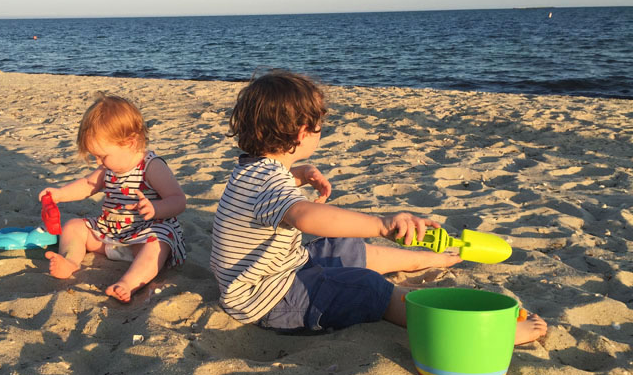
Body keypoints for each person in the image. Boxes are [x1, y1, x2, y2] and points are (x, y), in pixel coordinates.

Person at [210, 70, 546, 344]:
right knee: (370, 289)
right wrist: (383, 225)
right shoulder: (270, 182)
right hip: (271, 300)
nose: (320, 133)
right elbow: (306, 217)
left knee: (342, 248)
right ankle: (488, 334)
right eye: (319, 128)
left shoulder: (255, 170)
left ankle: (426, 259)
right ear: (301, 133)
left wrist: (296, 175)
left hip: (276, 272)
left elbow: (264, 200)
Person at [40, 93, 187, 302]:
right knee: (73, 226)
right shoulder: (107, 169)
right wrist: (60, 194)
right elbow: (87, 185)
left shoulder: (152, 167)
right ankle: (71, 262)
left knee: (158, 243)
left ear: (129, 142)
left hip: (143, 235)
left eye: (102, 155)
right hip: (110, 233)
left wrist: (156, 209)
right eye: (95, 156)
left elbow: (178, 200)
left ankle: (129, 282)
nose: (98, 160)